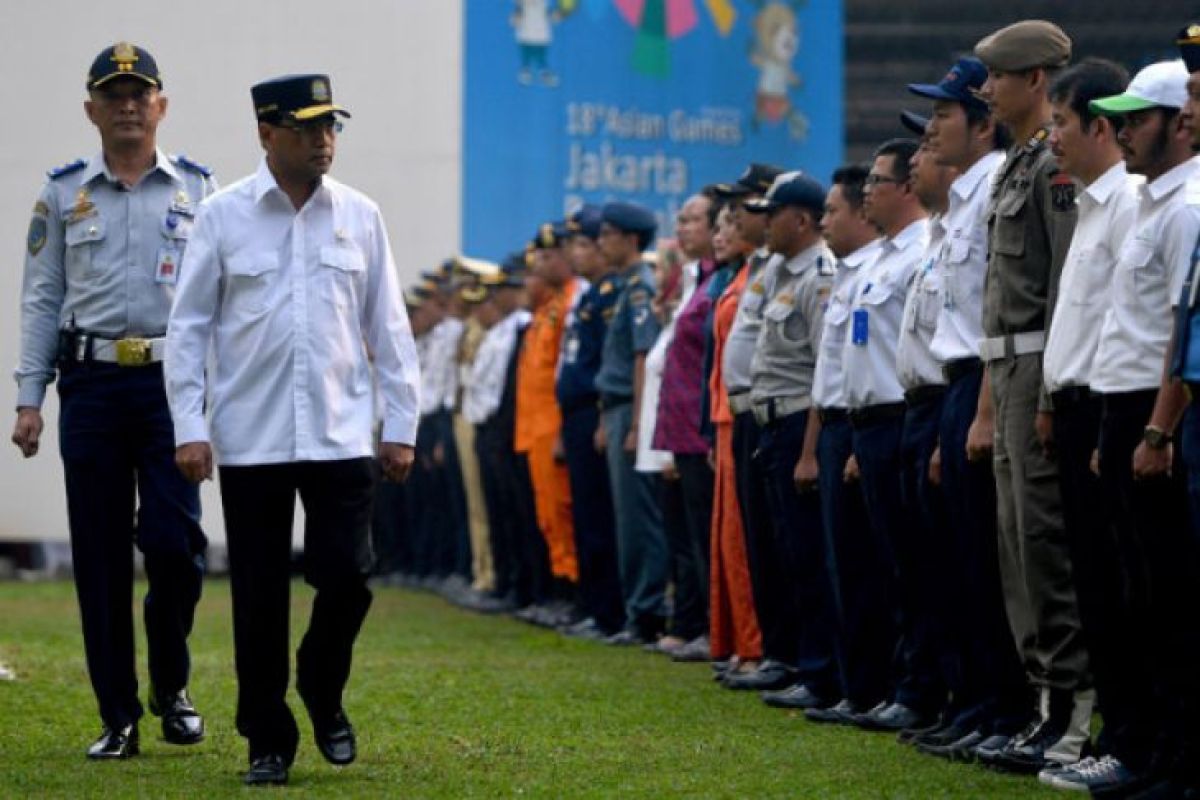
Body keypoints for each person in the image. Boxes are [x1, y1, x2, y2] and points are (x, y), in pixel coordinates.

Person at [164, 74, 420, 786]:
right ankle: (266, 737)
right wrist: (190, 424)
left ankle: (320, 683)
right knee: (257, 595)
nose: (323, 140)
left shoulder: (361, 215)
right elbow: (188, 331)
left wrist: (400, 424)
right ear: (266, 134)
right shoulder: (221, 215)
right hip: (252, 438)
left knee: (350, 577)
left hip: (341, 436)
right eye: (307, 129)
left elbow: (388, 328)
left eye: (330, 127)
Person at [12, 42, 214, 759]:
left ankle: (172, 684)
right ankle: (118, 715)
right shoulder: (63, 192)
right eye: (113, 93)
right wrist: (30, 397)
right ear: (91, 109)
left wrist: (213, 398)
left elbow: (219, 303)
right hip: (92, 385)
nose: (128, 104)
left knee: (176, 546)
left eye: (141, 93)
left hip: (169, 388)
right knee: (99, 556)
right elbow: (42, 300)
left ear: (161, 105)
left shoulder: (197, 190)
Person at [1057, 58, 1200, 795]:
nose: (1124, 132)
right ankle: (1145, 744)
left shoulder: (1185, 206)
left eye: (1138, 119)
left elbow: (1182, 334)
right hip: (1118, 411)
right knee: (1128, 595)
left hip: (1151, 409)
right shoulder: (1146, 202)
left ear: (1181, 122)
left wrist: (1155, 430)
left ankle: (1171, 753)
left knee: (1163, 598)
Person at [971, 20, 1091, 772]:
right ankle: (1043, 703)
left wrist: (1045, 393)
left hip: (1039, 365)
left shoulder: (1052, 166)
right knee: (1015, 542)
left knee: (1043, 539)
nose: (988, 90)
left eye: (999, 77)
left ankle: (1075, 710)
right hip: (1005, 368)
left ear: (1037, 79)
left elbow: (1063, 287)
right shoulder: (1016, 166)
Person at [907, 56, 1031, 761]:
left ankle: (1005, 705)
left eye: (944, 114)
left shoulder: (992, 191)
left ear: (983, 126)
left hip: (981, 382)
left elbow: (998, 310)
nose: (933, 127)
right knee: (961, 559)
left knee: (988, 560)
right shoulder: (965, 200)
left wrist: (981, 410)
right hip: (957, 384)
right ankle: (980, 701)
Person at [1033, 57, 1137, 789]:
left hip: (1107, 410)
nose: (1052, 141)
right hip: (1069, 410)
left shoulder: (1129, 203)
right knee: (1091, 585)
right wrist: (1046, 400)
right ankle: (1120, 734)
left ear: (1102, 125)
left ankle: (1131, 739)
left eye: (1061, 125)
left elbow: (1122, 325)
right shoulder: (1087, 204)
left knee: (1117, 587)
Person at [730, 171, 839, 709]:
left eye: (771, 213)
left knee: (805, 552)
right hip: (766, 421)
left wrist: (808, 450)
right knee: (773, 549)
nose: (762, 222)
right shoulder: (773, 268)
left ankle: (814, 666)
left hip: (799, 422)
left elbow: (823, 369)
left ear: (800, 219)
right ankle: (782, 655)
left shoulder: (821, 274)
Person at [839, 139, 937, 732]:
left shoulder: (917, 251)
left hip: (903, 414)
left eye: (877, 181)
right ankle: (904, 684)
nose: (868, 190)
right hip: (867, 422)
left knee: (915, 566)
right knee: (890, 564)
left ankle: (921, 689)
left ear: (904, 188)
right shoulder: (879, 258)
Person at [803, 164, 883, 724]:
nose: (824, 220)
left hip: (867, 422)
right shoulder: (848, 273)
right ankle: (851, 684)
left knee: (867, 567)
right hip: (835, 424)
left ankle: (876, 686)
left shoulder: (882, 266)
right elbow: (827, 369)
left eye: (833, 210)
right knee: (838, 566)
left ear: (861, 213)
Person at [593, 201, 670, 645]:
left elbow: (643, 357)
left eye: (608, 234)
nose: (602, 242)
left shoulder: (640, 287)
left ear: (630, 238)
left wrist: (640, 424)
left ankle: (647, 612)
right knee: (626, 519)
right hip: (618, 407)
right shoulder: (625, 287)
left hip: (632, 407)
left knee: (639, 518)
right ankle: (634, 608)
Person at [651, 192, 719, 657]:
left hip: (701, 425)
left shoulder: (717, 281)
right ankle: (691, 620)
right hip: (679, 424)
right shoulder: (693, 279)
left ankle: (707, 626)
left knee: (703, 533)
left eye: (693, 220)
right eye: (681, 220)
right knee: (685, 532)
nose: (684, 227)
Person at [556, 205, 626, 639]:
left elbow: (607, 364)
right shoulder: (590, 295)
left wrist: (601, 415)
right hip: (576, 415)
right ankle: (593, 605)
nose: (579, 253)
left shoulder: (612, 295)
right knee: (585, 515)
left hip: (595, 413)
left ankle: (609, 612)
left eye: (586, 244)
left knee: (601, 516)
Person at [705, 200, 764, 674]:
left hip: (749, 413)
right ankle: (737, 641)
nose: (725, 232)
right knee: (728, 537)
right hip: (725, 414)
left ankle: (755, 645)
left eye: (733, 221)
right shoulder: (734, 279)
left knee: (745, 537)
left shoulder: (756, 277)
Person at [517, 221, 584, 625]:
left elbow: (563, 374)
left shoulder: (572, 300)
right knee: (547, 514)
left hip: (552, 426)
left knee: (562, 511)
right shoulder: (550, 305)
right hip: (534, 428)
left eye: (546, 256)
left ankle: (572, 591)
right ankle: (560, 589)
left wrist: (558, 429)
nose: (539, 265)